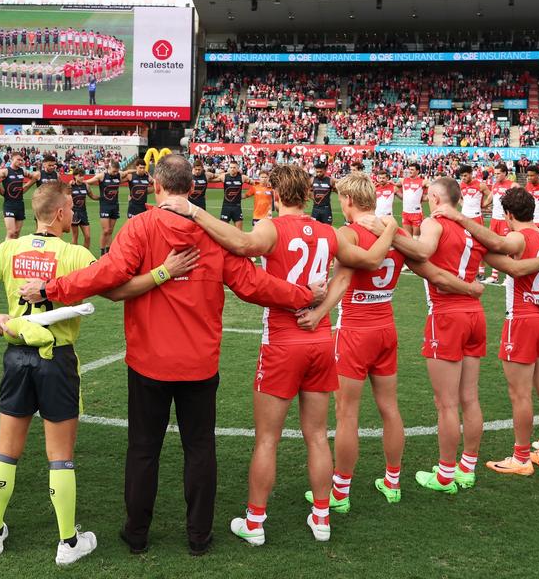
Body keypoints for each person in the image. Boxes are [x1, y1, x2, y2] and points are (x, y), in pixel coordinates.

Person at [33, 155, 321, 556]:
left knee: (143, 448)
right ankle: (198, 536)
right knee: (200, 448)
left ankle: (137, 533)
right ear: (194, 188)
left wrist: (52, 288)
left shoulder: (141, 227)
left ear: (156, 186)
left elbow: (107, 275)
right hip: (198, 364)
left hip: (149, 362)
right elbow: (255, 285)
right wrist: (305, 296)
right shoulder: (211, 235)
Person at [162, 164, 423, 545]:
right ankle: (321, 518)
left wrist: (196, 212)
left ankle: (255, 523)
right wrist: (390, 230)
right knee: (317, 435)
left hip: (284, 339)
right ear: (309, 194)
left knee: (267, 439)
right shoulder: (329, 231)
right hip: (321, 339)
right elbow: (365, 263)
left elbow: (242, 246)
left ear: (277, 193)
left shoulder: (271, 226)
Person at [0, 180, 195, 564]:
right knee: (60, 455)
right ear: (59, 213)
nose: (75, 213)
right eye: (72, 208)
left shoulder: (9, 248)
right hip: (56, 360)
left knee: (6, 452)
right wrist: (164, 272)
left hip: (15, 357)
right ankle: (67, 543)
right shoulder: (74, 253)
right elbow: (118, 288)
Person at [295, 172, 485, 512]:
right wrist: (469, 288)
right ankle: (393, 481)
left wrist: (319, 310)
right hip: (386, 329)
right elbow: (436, 274)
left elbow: (341, 281)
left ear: (349, 200)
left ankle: (340, 493)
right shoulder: (394, 234)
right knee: (390, 409)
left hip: (355, 331)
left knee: (347, 414)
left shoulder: (349, 232)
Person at [395, 179, 539, 492]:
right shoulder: (475, 233)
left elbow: (423, 253)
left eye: (428, 196)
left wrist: (388, 233)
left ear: (435, 197)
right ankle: (468, 468)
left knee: (447, 404)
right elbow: (508, 264)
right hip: (476, 315)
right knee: (470, 397)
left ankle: (445, 475)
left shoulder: (434, 223)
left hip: (448, 315)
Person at [435, 188, 539, 475]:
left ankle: (522, 457)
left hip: (522, 320)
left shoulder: (518, 237)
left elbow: (499, 243)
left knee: (520, 394)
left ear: (509, 215)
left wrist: (460, 218)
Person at [483, 163, 517, 284]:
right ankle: (494, 275)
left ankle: (509, 277)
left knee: (507, 248)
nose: (496, 176)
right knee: (493, 247)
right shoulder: (495, 185)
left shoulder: (513, 185)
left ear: (505, 173)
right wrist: (482, 205)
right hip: (494, 219)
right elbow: (489, 199)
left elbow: (519, 200)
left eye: (498, 173)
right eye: (495, 173)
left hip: (505, 220)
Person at [86, 161, 121, 256]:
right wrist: (92, 195)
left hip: (115, 206)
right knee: (105, 230)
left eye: (117, 171)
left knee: (110, 231)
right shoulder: (102, 176)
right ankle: (102, 252)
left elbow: (129, 172)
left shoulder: (119, 175)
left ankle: (109, 252)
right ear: (109, 168)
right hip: (105, 206)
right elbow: (87, 182)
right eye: (114, 171)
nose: (115, 173)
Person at [0, 153, 35, 241]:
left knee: (16, 233)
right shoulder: (5, 171)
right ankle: (6, 253)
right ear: (12, 159)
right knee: (11, 232)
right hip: (9, 205)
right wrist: (2, 191)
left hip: (20, 204)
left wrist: (26, 187)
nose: (20, 162)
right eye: (18, 159)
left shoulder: (22, 171)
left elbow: (34, 177)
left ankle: (13, 254)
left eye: (21, 160)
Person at [211, 162, 249, 230]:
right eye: (231, 167)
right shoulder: (224, 177)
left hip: (237, 207)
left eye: (234, 168)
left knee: (239, 231)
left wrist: (247, 194)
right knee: (223, 230)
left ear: (237, 169)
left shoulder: (242, 177)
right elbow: (210, 180)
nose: (232, 169)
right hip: (226, 207)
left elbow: (254, 183)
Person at [398, 163, 426, 237]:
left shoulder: (423, 181)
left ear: (417, 171)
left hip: (416, 213)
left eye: (412, 170)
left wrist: (425, 198)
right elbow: (393, 186)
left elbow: (432, 188)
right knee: (407, 237)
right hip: (405, 213)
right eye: (409, 169)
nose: (410, 171)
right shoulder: (403, 180)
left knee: (416, 238)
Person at [69, 167, 92, 249]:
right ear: (74, 176)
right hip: (74, 213)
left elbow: (92, 196)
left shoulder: (86, 185)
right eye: (80, 176)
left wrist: (102, 198)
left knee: (88, 236)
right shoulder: (70, 186)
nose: (82, 177)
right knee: (75, 236)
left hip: (83, 213)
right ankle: (73, 256)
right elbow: (65, 197)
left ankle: (85, 255)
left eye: (83, 176)